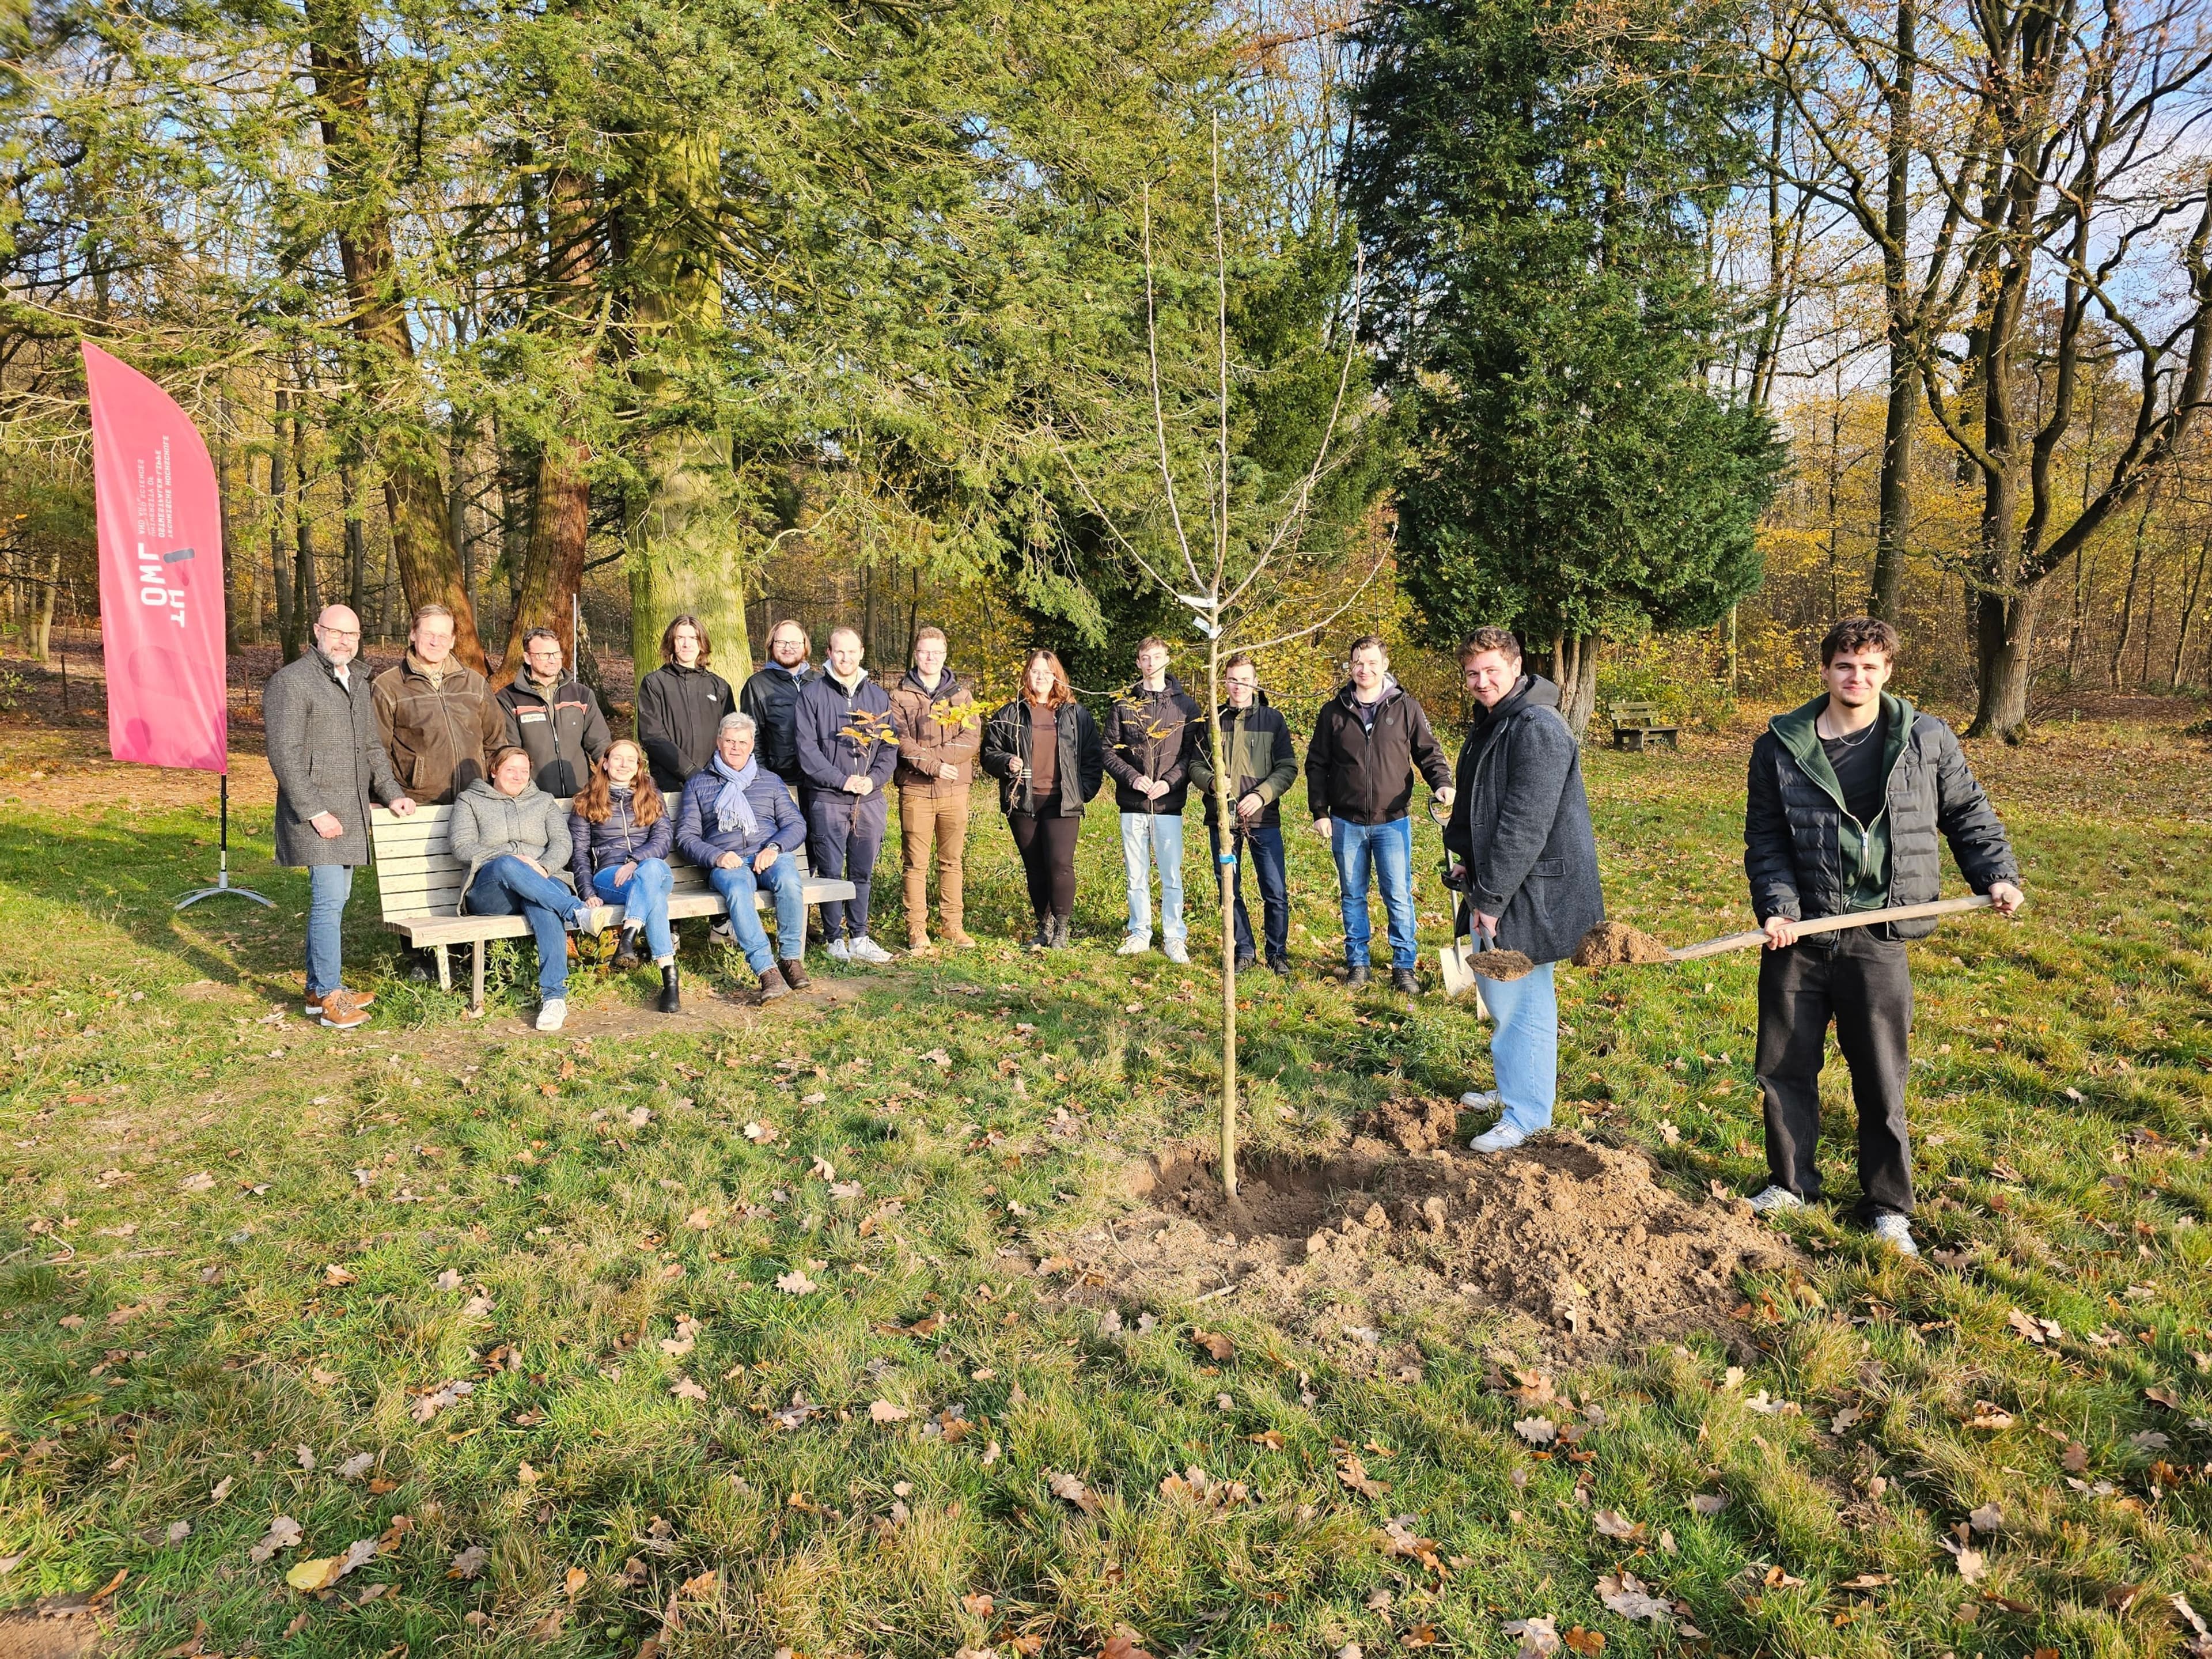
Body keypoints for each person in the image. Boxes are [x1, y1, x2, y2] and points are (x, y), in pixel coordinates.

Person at [1744, 616, 2024, 1256]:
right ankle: (1791, 1185)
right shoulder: (1782, 744)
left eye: (1870, 667)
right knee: (1784, 1068)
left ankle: (1889, 1206)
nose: (1857, 677)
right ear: (1825, 670)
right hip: (1802, 932)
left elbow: (1967, 813)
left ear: (1888, 672)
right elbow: (1766, 837)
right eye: (1846, 665)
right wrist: (1779, 908)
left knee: (1880, 1076)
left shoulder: (1926, 739)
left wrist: (1997, 875)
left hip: (1879, 930)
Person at [1442, 628, 1605, 1153]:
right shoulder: (1494, 723)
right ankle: (1516, 1085)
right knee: (1500, 994)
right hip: (1497, 881)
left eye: (1492, 670)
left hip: (1532, 888)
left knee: (1524, 999)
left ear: (1515, 667)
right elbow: (1482, 806)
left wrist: (1490, 901)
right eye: (1473, 674)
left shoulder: (1537, 727)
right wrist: (1471, 868)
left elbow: (1525, 824)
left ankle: (1529, 1113)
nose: (1482, 682)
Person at [265, 604, 418, 1029]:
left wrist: (391, 794)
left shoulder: (358, 681)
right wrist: (315, 811)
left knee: (338, 902)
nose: (344, 641)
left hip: (351, 811)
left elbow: (371, 748)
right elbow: (285, 756)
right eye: (336, 632)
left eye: (352, 635)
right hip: (319, 814)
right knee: (329, 902)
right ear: (317, 630)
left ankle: (318, 990)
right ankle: (332, 996)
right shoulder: (292, 682)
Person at [1305, 634, 1454, 991]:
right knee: (1352, 895)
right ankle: (1358, 964)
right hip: (1346, 821)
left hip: (1393, 821)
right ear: (1350, 665)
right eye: (1358, 661)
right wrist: (1319, 811)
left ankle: (1404, 967)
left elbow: (1428, 753)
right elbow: (1316, 764)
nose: (1364, 669)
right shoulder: (1334, 711)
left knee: (1398, 896)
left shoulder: (1405, 707)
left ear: (1385, 665)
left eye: (1372, 662)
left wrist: (1442, 783)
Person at [373, 603, 507, 981]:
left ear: (453, 640)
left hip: (474, 799)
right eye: (428, 633)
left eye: (444, 635)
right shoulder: (387, 686)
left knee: (471, 874)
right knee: (421, 882)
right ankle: (421, 959)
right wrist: (387, 794)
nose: (435, 640)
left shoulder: (473, 682)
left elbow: (496, 741)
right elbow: (376, 750)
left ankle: (471, 953)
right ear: (413, 635)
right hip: (417, 800)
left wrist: (499, 787)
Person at [449, 744, 595, 1032]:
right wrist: (513, 857)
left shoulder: (543, 801)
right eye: (510, 770)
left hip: (541, 881)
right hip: (492, 891)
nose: (518, 777)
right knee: (508, 865)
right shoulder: (470, 800)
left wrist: (543, 868)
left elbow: (562, 844)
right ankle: (576, 910)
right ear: (494, 771)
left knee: (543, 905)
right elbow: (462, 847)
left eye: (524, 771)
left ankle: (554, 1000)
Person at [676, 713, 813, 1001]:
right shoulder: (698, 784)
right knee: (738, 891)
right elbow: (686, 837)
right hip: (729, 863)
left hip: (769, 856)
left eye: (742, 742)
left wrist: (774, 847)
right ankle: (767, 971)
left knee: (789, 879)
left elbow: (795, 824)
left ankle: (790, 959)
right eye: (729, 741)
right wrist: (717, 856)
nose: (735, 747)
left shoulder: (770, 781)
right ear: (719, 743)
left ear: (752, 745)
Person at [981, 649, 1104, 950]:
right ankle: (1043, 925)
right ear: (1027, 675)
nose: (1041, 678)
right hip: (1023, 800)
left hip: (1062, 802)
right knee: (1034, 866)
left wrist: (1082, 792)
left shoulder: (1075, 715)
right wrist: (1007, 761)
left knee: (1060, 864)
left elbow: (1093, 757)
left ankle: (1061, 928)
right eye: (1035, 672)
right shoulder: (1010, 714)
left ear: (1057, 677)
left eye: (1047, 673)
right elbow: (988, 754)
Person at [794, 627, 900, 963]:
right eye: (840, 652)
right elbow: (807, 751)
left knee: (861, 871)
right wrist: (842, 781)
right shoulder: (811, 695)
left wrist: (874, 780)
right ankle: (833, 939)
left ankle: (860, 936)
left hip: (869, 801)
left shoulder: (878, 698)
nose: (846, 658)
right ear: (829, 652)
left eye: (852, 652)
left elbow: (888, 749)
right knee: (829, 871)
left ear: (862, 654)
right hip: (828, 799)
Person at [1189, 652, 1298, 976]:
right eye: (1233, 679)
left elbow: (1288, 767)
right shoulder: (1212, 720)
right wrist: (1211, 783)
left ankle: (1277, 953)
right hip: (1223, 821)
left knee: (1275, 890)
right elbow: (1194, 764)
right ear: (1225, 681)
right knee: (1229, 889)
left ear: (1255, 682)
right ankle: (1244, 950)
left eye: (1245, 680)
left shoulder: (1273, 720)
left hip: (1263, 821)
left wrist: (1262, 795)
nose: (1239, 686)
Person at [1103, 636, 1200, 963]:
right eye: (1145, 658)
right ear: (1138, 663)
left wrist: (1169, 783)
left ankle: (1175, 936)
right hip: (1132, 804)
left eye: (1157, 657)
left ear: (1167, 659)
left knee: (1172, 875)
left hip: (1168, 806)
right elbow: (1107, 750)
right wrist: (1133, 778)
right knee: (1136, 874)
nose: (1151, 663)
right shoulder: (1124, 705)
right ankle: (1140, 932)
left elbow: (1191, 755)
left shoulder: (1185, 706)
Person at [888, 626, 983, 952]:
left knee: (952, 861)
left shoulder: (961, 695)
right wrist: (931, 766)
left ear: (945, 655)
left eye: (937, 652)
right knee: (915, 863)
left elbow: (970, 740)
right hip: (915, 790)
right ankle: (917, 929)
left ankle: (952, 926)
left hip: (955, 789)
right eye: (925, 652)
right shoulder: (899, 695)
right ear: (916, 654)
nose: (931, 658)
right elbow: (901, 741)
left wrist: (940, 764)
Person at [571, 739, 681, 1013]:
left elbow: (663, 837)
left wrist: (635, 861)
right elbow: (579, 853)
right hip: (609, 877)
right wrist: (588, 893)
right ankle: (670, 982)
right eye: (617, 759)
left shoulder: (650, 795)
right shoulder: (587, 801)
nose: (624, 765)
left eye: (630, 760)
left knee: (652, 869)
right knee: (654, 895)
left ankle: (628, 939)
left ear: (638, 766)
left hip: (650, 871)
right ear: (605, 764)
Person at [497, 627, 609, 797]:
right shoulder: (508, 699)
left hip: (581, 795)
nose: (552, 660)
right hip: (533, 799)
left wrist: (609, 782)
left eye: (556, 654)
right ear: (527, 658)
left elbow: (600, 744)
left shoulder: (582, 695)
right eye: (544, 655)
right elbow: (510, 752)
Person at [635, 614, 736, 794]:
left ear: (702, 643)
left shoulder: (720, 686)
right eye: (680, 638)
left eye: (693, 638)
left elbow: (730, 735)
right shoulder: (654, 683)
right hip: (671, 785)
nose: (687, 644)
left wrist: (714, 774)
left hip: (715, 782)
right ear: (671, 642)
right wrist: (691, 772)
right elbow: (652, 737)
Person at [739, 618, 816, 789]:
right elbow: (752, 737)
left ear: (805, 645)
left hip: (819, 782)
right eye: (781, 642)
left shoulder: (819, 682)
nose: (788, 648)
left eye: (795, 643)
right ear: (771, 645)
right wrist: (764, 780)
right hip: (781, 781)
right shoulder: (757, 685)